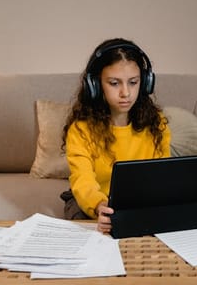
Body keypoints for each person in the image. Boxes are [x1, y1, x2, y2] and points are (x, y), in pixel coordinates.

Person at [62, 38, 171, 234]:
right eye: (114, 83)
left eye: (133, 82)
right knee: (87, 223)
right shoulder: (81, 129)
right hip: (93, 201)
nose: (126, 93)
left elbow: (162, 177)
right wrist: (99, 206)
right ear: (95, 85)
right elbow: (82, 179)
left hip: (139, 201)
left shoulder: (157, 124)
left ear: (145, 83)